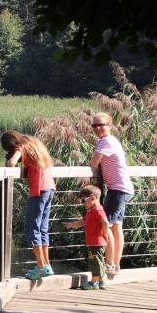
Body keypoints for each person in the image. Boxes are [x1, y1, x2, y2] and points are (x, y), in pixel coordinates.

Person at [0, 130, 56, 280]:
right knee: (42, 228)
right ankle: (47, 265)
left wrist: (9, 161)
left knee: (32, 228)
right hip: (49, 188)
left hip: (39, 191)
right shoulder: (35, 144)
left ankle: (41, 266)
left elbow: (12, 163)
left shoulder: (21, 147)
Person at [89, 112, 133, 277]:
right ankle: (116, 264)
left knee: (106, 225)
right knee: (116, 226)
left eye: (101, 124)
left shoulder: (105, 141)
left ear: (109, 125)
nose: (98, 128)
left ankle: (110, 264)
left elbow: (93, 163)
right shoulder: (111, 140)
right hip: (123, 188)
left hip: (118, 189)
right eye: (95, 125)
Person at [64, 185, 114, 290]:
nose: (82, 204)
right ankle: (100, 281)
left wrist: (105, 234)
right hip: (93, 242)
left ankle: (94, 282)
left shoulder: (97, 210)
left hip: (96, 242)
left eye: (83, 200)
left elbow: (105, 222)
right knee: (98, 261)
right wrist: (71, 225)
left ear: (92, 198)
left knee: (95, 262)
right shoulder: (91, 211)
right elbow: (83, 222)